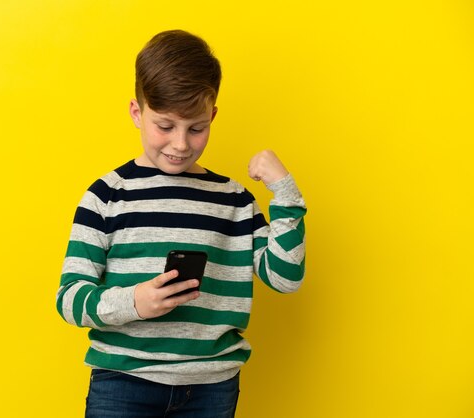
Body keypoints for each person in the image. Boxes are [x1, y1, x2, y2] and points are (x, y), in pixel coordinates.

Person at [56, 29, 307, 418]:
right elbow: (69, 299)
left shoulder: (235, 201)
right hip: (123, 381)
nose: (180, 144)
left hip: (212, 386)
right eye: (165, 126)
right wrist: (134, 302)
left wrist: (285, 193)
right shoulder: (107, 195)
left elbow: (285, 277)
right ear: (137, 112)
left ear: (213, 116)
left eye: (196, 128)